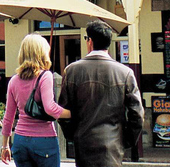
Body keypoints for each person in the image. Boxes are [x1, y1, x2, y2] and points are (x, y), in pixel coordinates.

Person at [58, 20, 144, 167]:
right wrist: (125, 139)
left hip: (83, 142)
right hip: (113, 144)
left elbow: (63, 111)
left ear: (89, 41)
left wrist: (73, 135)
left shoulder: (72, 71)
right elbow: (137, 115)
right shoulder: (125, 73)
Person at [1, 34, 71, 167]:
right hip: (44, 140)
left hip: (20, 141)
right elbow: (50, 108)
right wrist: (72, 113)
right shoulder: (45, 76)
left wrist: (5, 146)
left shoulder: (14, 81)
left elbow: (8, 117)